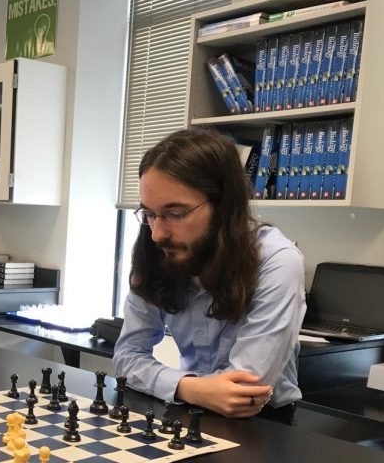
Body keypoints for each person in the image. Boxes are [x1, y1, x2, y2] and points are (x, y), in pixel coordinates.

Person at [113, 127, 306, 425]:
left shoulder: (278, 261)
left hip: (263, 426)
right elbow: (126, 356)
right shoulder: (157, 252)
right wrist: (189, 387)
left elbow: (244, 392)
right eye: (149, 214)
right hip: (186, 407)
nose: (158, 233)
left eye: (176, 214)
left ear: (224, 206)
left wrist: (169, 383)